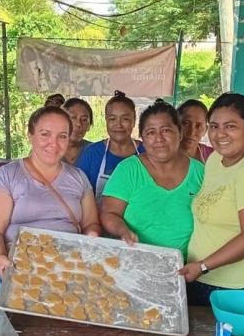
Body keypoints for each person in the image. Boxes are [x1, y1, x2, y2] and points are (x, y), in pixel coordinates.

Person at [0, 106, 101, 283]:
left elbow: (91, 223)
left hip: (69, 270)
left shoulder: (78, 178)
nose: (54, 143)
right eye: (45, 134)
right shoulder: (8, 175)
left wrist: (92, 236)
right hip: (21, 270)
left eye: (62, 136)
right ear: (30, 136)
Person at [179, 93, 244, 306]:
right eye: (214, 126)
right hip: (201, 277)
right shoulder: (216, 159)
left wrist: (204, 265)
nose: (220, 134)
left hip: (236, 287)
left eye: (231, 126)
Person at [100, 100, 204, 258]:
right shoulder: (129, 170)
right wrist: (123, 231)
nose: (159, 139)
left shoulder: (200, 172)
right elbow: (109, 213)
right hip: (135, 261)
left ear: (180, 133)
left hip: (188, 267)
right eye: (150, 133)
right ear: (142, 137)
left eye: (166, 130)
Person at [76, 91, 145, 206]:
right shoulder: (92, 153)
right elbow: (77, 194)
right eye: (112, 119)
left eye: (125, 119)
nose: (119, 125)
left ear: (134, 121)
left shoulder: (147, 151)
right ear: (106, 121)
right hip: (96, 221)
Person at [177, 99, 214, 163]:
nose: (191, 132)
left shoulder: (213, 157)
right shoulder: (160, 156)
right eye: (186, 123)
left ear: (206, 129)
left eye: (198, 126)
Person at [62, 97, 93, 165]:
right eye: (73, 118)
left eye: (84, 120)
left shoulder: (95, 152)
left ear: (89, 126)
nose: (78, 124)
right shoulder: (46, 150)